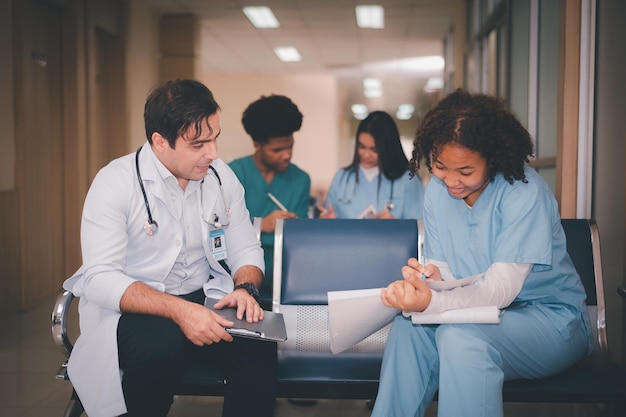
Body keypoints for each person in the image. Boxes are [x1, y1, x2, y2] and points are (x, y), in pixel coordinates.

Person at [62, 79, 277, 417]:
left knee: (258, 348)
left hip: (204, 296)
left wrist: (245, 287)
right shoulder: (116, 182)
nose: (213, 153)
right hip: (132, 309)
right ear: (159, 142)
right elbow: (100, 277)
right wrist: (180, 311)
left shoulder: (221, 177)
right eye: (198, 144)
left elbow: (245, 246)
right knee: (160, 344)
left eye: (215, 138)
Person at [371, 90, 592, 417]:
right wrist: (431, 282)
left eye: (465, 171)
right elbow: (446, 269)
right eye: (441, 166)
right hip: (475, 313)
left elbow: (500, 289)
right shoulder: (436, 191)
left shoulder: (524, 192)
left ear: (494, 158)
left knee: (461, 339)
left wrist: (433, 302)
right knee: (409, 328)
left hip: (549, 320)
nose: (451, 182)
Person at [229, 94, 311, 307]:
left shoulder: (300, 180)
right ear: (257, 144)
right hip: (239, 279)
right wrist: (261, 225)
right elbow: (221, 230)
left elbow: (297, 240)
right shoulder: (234, 174)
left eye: (290, 147)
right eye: (277, 150)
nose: (286, 155)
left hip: (286, 280)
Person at [319, 110, 424, 219]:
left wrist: (395, 225)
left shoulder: (408, 180)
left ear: (388, 148)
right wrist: (326, 221)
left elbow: (420, 228)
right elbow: (327, 219)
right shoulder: (341, 178)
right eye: (361, 146)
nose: (366, 155)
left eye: (374, 150)